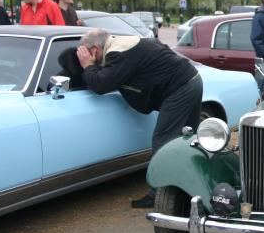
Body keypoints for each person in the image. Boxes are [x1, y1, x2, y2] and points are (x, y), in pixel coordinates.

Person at [76, 28, 203, 208]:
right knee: (186, 140)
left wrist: (87, 65)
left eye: (85, 53)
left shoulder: (118, 53)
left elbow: (101, 84)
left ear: (95, 50)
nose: (82, 57)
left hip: (179, 88)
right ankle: (192, 187)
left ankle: (158, 193)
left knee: (164, 141)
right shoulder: (122, 44)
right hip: (189, 79)